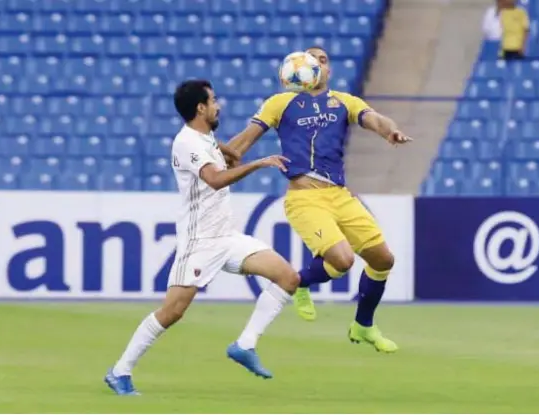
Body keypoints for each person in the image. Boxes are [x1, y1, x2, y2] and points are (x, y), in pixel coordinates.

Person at [104, 80, 299, 395]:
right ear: (200, 107)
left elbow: (231, 156)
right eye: (214, 100)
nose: (218, 105)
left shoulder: (206, 139)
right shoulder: (187, 143)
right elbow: (216, 179)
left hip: (227, 237)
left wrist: (265, 123)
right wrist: (260, 163)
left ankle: (244, 345)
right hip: (200, 242)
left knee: (287, 277)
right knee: (172, 312)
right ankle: (119, 371)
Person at [227, 47, 412, 353]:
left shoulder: (344, 102)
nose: (314, 64)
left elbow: (374, 118)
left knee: (384, 260)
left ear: (328, 71)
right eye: (309, 59)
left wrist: (390, 132)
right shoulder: (280, 103)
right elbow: (244, 141)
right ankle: (299, 282)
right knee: (343, 260)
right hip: (305, 198)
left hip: (340, 195)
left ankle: (363, 325)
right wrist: (219, 155)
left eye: (321, 60)